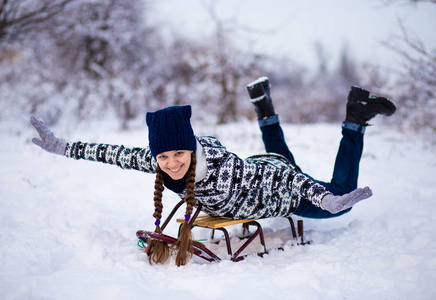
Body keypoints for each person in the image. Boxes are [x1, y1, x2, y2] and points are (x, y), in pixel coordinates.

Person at [30, 77, 394, 266]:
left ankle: (355, 117)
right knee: (282, 160)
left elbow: (286, 179)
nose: (171, 163)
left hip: (278, 188)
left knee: (335, 192)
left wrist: (325, 199)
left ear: (190, 148)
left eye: (178, 153)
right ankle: (264, 107)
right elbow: (114, 153)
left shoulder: (225, 171)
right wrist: (62, 147)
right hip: (266, 170)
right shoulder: (162, 161)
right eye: (163, 157)